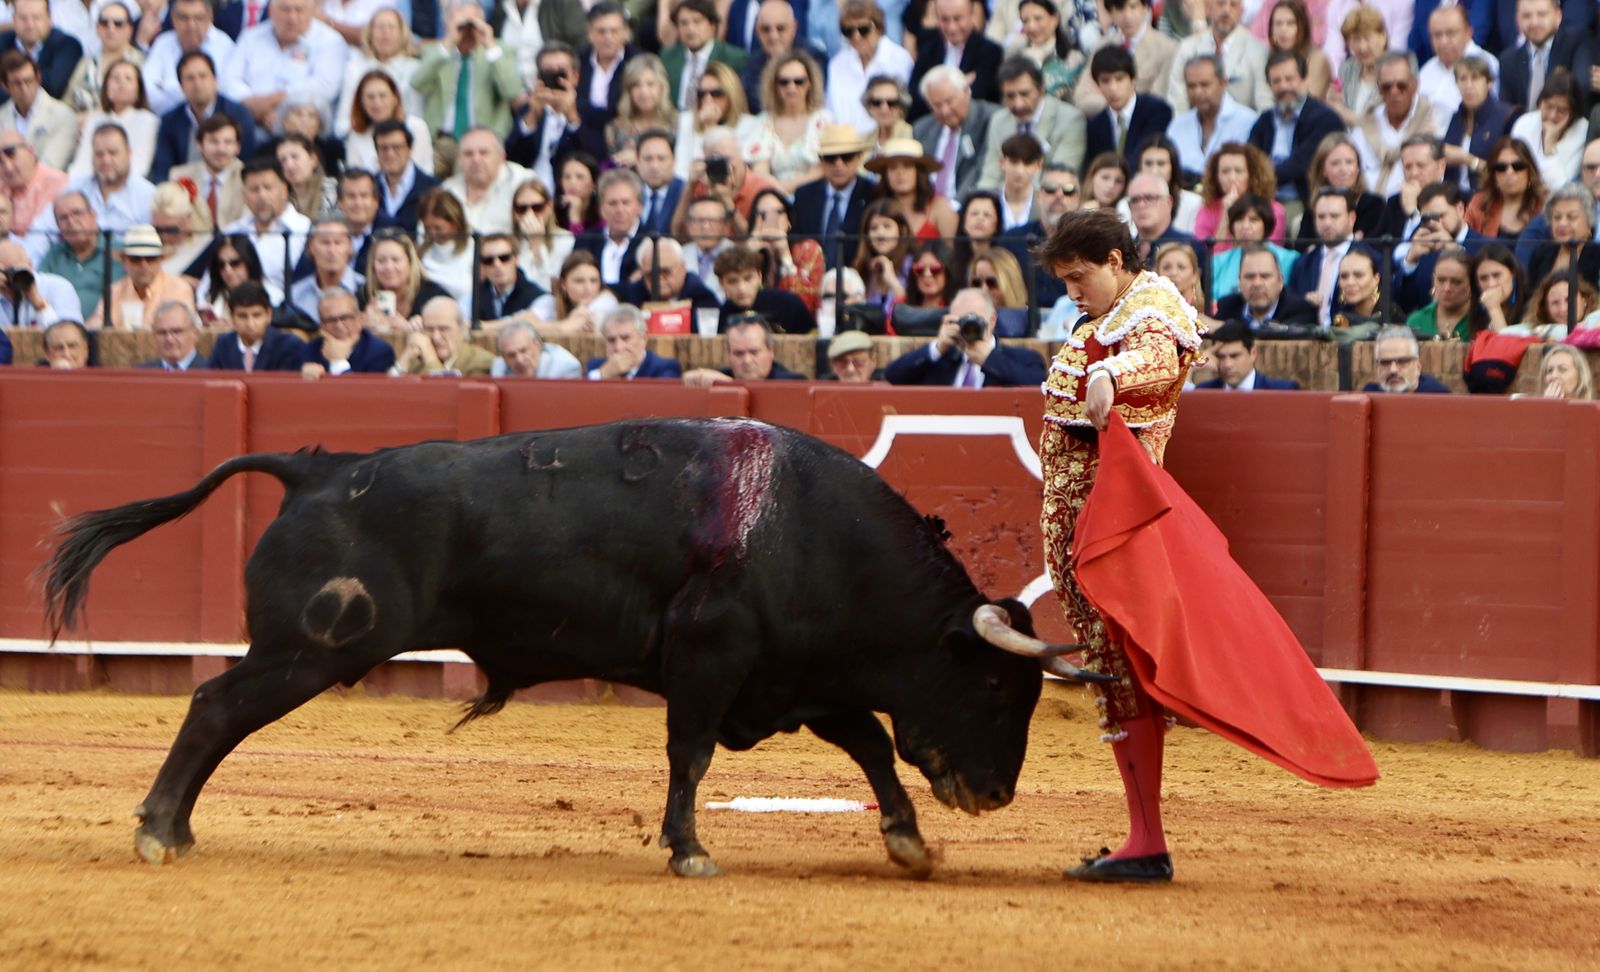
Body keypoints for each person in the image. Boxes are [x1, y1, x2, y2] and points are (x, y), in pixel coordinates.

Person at [1032, 209, 1203, 883]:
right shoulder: (1102, 316)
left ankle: (1147, 840)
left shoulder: (1152, 302)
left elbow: (1159, 357)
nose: (1074, 292)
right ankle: (1141, 835)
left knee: (1123, 673)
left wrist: (1113, 376)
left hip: (1113, 530)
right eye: (1065, 281)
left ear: (1113, 259)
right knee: (1112, 672)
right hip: (1086, 529)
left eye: (1080, 277)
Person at [411, 0, 523, 153]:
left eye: (473, 23)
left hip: (482, 142)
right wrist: (449, 42)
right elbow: (417, 83)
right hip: (440, 140)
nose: (468, 30)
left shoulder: (499, 50)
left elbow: (512, 91)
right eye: (461, 25)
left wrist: (489, 46)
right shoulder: (436, 52)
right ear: (445, 25)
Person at [219, 0, 347, 131]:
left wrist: (277, 101)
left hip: (303, 129)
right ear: (271, 11)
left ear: (311, 12)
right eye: (285, 10)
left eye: (299, 10)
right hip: (250, 121)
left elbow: (325, 85)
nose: (292, 17)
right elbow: (228, 80)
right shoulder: (251, 37)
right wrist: (252, 106)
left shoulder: (330, 41)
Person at [883, 285, 1045, 385]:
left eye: (974, 320)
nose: (968, 328)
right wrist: (937, 348)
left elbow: (1038, 385)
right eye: (959, 321)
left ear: (992, 320)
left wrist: (990, 359)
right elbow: (893, 376)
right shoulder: (941, 360)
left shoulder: (1023, 359)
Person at [1251, 50, 1348, 208]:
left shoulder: (1325, 119)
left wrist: (1262, 175)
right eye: (1276, 81)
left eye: (1289, 79)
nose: (1283, 86)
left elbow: (1301, 164)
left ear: (1305, 80)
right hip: (1263, 199)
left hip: (1304, 203)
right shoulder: (1265, 120)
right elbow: (1251, 159)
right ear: (1269, 86)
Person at [149, 51, 258, 184]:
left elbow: (249, 162)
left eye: (203, 76)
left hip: (231, 188)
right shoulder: (170, 121)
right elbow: (163, 170)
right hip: (184, 190)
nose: (197, 83)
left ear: (215, 80)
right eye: (190, 78)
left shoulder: (238, 114)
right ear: (181, 86)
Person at [979, 56, 1085, 190]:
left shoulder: (1070, 120)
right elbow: (991, 174)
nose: (1018, 104)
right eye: (1010, 96)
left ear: (1041, 90)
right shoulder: (999, 121)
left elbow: (1059, 178)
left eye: (1024, 94)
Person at [792, 124, 877, 269]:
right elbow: (796, 242)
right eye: (831, 158)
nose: (839, 164)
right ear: (821, 160)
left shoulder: (873, 194)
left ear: (859, 158)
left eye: (847, 157)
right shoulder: (804, 196)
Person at [911, 65, 999, 204]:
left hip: (966, 205)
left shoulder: (990, 119)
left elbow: (980, 170)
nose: (945, 111)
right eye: (937, 105)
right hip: (928, 209)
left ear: (966, 92)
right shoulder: (922, 129)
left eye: (949, 101)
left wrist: (956, 207)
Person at [1166, 0, 1272, 114]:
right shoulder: (1188, 47)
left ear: (1242, 11)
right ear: (1209, 8)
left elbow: (1264, 103)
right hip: (1194, 126)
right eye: (1221, 3)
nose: (1226, 10)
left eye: (1233, 5)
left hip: (1243, 128)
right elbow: (1177, 101)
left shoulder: (1258, 50)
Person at [827, 0, 914, 137]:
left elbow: (903, 108)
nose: (856, 37)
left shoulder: (900, 60)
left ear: (878, 28)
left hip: (887, 142)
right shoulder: (837, 65)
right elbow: (832, 112)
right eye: (848, 31)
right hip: (847, 148)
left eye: (863, 29)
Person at [332, 8, 423, 138]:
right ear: (370, 34)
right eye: (380, 27)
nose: (385, 33)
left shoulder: (415, 69)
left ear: (402, 34)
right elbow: (344, 119)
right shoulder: (355, 68)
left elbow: (416, 114)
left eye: (391, 27)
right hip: (360, 138)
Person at [672, 62, 769, 183]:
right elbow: (682, 170)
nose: (708, 100)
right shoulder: (687, 120)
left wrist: (710, 128)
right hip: (694, 191)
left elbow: (736, 168)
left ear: (731, 94)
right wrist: (705, 126)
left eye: (716, 94)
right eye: (702, 94)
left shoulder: (752, 125)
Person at [504, 41, 585, 186]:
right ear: (538, 77)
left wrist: (572, 116)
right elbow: (511, 158)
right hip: (530, 188)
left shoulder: (588, 111)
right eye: (548, 72)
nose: (555, 78)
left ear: (575, 76)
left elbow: (590, 156)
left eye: (561, 72)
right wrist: (533, 116)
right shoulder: (526, 110)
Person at [1167, 55, 1257, 185]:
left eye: (1205, 85)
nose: (1197, 92)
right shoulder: (1177, 126)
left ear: (1223, 83)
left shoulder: (1248, 122)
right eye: (1191, 86)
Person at [907, 0, 1004, 119]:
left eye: (957, 19)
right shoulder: (929, 47)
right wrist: (961, 85)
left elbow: (981, 96)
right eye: (945, 19)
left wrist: (934, 92)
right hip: (931, 126)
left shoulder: (990, 52)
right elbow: (915, 96)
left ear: (972, 14)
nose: (951, 27)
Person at [88, 224, 196, 329]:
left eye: (150, 259)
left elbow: (182, 330)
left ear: (160, 260)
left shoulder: (178, 289)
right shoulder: (114, 292)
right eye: (136, 259)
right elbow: (95, 327)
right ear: (125, 262)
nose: (143, 265)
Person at [1498, 0, 1595, 117]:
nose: (1534, 22)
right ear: (1517, 20)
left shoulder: (1577, 42)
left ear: (1558, 16)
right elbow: (1507, 112)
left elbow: (1580, 89)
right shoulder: (1508, 60)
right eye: (1527, 16)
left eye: (1542, 14)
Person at [1083, 46, 1170, 169]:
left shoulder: (1156, 111)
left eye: (1119, 79)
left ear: (1133, 80)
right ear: (1097, 85)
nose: (1113, 88)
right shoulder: (1095, 124)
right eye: (1105, 81)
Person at [39, 191, 123, 318]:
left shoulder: (118, 252)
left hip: (103, 330)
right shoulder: (53, 256)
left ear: (93, 215)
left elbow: (123, 297)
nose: (71, 221)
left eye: (77, 213)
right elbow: (39, 293)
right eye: (63, 218)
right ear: (58, 226)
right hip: (58, 332)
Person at [1293, 132, 1383, 246]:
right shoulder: (1314, 207)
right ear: (1323, 170)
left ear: (1358, 168)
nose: (1343, 169)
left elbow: (1375, 251)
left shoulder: (1374, 205)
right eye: (1335, 163)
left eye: (1349, 162)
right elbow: (1302, 251)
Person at [574, 3, 639, 160]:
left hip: (622, 137)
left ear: (625, 32)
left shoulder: (637, 61)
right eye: (601, 31)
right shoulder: (578, 60)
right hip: (580, 135)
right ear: (590, 34)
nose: (608, 37)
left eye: (614, 31)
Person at [1441, 57, 1514, 195]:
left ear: (1489, 82)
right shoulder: (1456, 117)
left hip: (1490, 196)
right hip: (1454, 197)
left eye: (1475, 78)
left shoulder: (1506, 116)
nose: (1468, 86)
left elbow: (1510, 171)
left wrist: (1468, 160)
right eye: (1463, 79)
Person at [742, 0, 830, 115]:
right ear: (757, 30)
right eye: (766, 29)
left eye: (781, 28)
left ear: (794, 27)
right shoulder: (752, 64)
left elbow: (814, 100)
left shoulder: (814, 58)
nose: (773, 36)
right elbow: (756, 105)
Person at [1287, 187, 1359, 327]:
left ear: (1351, 218)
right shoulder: (1303, 262)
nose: (1327, 223)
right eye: (1321, 217)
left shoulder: (1370, 259)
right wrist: (1303, 301)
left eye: (1334, 216)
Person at [661, 0, 747, 114]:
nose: (690, 29)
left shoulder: (735, 58)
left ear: (712, 25)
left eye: (697, 22)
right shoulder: (668, 57)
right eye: (684, 23)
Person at [345, 71, 435, 178]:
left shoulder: (416, 127)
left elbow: (419, 171)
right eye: (370, 97)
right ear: (361, 102)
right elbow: (355, 177)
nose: (377, 103)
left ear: (395, 98)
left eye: (383, 96)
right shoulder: (356, 135)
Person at [1193, 143, 1284, 249]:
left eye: (1238, 171)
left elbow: (1271, 251)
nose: (1232, 178)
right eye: (1225, 171)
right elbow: (1207, 256)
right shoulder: (1207, 210)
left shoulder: (1274, 210)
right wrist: (1225, 216)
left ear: (1252, 175)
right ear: (1216, 177)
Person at [1509, 69, 1587, 192]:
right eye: (1548, 106)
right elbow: (1514, 169)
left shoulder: (1582, 130)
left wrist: (1549, 145)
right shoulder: (1524, 123)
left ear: (1572, 113)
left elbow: (1562, 188)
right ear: (1540, 103)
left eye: (1561, 110)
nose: (1552, 116)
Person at [443, 128, 531, 235]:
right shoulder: (448, 190)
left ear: (502, 157)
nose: (476, 159)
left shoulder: (523, 183)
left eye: (483, 153)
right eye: (468, 154)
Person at [1417, 6, 1498, 122]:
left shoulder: (1486, 63)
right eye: (1437, 35)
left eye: (1451, 33)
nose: (1443, 42)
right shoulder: (1426, 70)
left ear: (1469, 32)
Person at [206, 280, 307, 371]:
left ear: (269, 315)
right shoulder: (223, 345)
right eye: (242, 316)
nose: (250, 323)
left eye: (256, 315)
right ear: (232, 318)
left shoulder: (288, 345)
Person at [0, 51, 77, 171]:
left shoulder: (63, 115)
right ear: (5, 86)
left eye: (28, 81)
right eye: (17, 83)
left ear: (38, 78)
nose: (24, 89)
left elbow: (52, 165)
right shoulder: (2, 116)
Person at [714, 243, 815, 334]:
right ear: (721, 283)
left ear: (759, 276)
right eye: (733, 281)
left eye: (748, 278)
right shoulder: (722, 314)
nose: (741, 288)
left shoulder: (789, 304)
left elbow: (814, 340)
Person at [681, 312, 805, 384]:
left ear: (771, 351)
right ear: (728, 355)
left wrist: (728, 386)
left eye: (754, 352)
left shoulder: (794, 382)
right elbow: (688, 378)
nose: (747, 360)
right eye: (738, 354)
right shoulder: (722, 377)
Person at [301, 286, 397, 378]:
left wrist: (338, 362)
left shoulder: (379, 353)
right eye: (331, 320)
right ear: (322, 326)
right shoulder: (310, 352)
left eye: (345, 318)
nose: (339, 326)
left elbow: (364, 394)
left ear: (359, 320)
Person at [1215, 243, 1318, 328]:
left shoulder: (1301, 309)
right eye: (1250, 277)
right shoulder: (1227, 308)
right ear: (1240, 281)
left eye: (1265, 276)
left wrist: (1226, 329)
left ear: (1280, 281)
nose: (1257, 284)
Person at [169, 114, 245, 229]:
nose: (221, 149)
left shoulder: (246, 177)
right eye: (214, 141)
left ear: (237, 147)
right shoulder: (179, 176)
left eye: (228, 142)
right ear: (199, 145)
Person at [1467, 137, 1549, 243]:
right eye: (1501, 167)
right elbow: (1465, 245)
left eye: (1517, 166)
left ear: (1530, 173)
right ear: (1494, 175)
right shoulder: (1479, 204)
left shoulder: (1546, 206)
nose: (1509, 172)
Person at [393, 295, 496, 376]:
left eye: (444, 329)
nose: (436, 337)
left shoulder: (481, 363)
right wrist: (405, 360)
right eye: (429, 329)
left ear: (462, 329)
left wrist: (431, 359)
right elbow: (386, 395)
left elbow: (446, 395)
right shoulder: (416, 362)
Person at [1524, 184, 1600, 290]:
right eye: (1557, 217)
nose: (1562, 223)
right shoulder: (1540, 254)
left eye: (1571, 217)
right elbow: (1529, 299)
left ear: (1589, 223)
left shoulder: (1597, 256)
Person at [372, 119, 441, 237]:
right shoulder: (369, 188)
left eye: (396, 147)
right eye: (383, 148)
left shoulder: (432, 188)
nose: (390, 154)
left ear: (410, 149)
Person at [289, 216, 364, 325]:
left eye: (338, 242)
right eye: (325, 243)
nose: (332, 251)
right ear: (311, 246)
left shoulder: (365, 290)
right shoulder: (296, 294)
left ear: (350, 246)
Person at [616, 235, 721, 311]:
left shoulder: (702, 297)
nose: (658, 279)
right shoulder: (633, 295)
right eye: (650, 275)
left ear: (683, 268)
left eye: (665, 272)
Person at [531, 250, 619, 336]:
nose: (588, 288)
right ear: (563, 284)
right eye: (579, 281)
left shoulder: (606, 301)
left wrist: (560, 326)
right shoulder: (552, 302)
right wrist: (564, 324)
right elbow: (522, 324)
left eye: (593, 281)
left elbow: (576, 324)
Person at [1194, 319, 1301, 390]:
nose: (1227, 364)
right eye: (1221, 357)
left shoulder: (1281, 391)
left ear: (1253, 353)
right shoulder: (1203, 391)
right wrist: (1192, 367)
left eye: (1235, 356)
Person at [586, 303, 683, 379]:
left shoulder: (664, 368)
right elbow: (580, 394)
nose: (619, 347)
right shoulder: (596, 367)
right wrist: (602, 374)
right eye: (611, 340)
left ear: (643, 338)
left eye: (625, 338)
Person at [0, 239, 79, 327]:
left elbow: (71, 335)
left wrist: (38, 303)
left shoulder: (58, 287)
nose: (11, 278)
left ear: (30, 264)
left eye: (16, 270)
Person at [1330, 5, 1387, 127]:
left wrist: (1346, 115)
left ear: (1383, 37)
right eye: (1356, 39)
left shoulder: (1394, 71)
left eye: (1367, 38)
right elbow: (1336, 109)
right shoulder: (1347, 68)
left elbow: (1384, 126)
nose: (1362, 47)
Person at [1404, 246, 1473, 339]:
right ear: (1433, 279)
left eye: (1456, 282)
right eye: (1441, 280)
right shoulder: (1416, 321)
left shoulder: (1483, 321)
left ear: (1472, 284)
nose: (1447, 288)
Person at [1361, 324, 1452, 393]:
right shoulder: (1369, 395)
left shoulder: (1437, 397)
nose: (1393, 370)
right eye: (1385, 362)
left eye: (1402, 361)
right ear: (1377, 368)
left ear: (1418, 367)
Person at [492, 320, 584, 379]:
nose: (519, 360)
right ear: (503, 356)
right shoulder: (499, 367)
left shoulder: (565, 366)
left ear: (538, 344)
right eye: (511, 355)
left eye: (524, 351)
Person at [860, 74, 914, 164]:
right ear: (869, 106)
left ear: (901, 106)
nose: (884, 108)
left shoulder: (913, 135)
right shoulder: (863, 141)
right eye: (877, 102)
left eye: (891, 103)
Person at [139, 300, 206, 370]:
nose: (169, 339)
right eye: (162, 332)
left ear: (195, 333)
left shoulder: (212, 372)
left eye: (176, 331)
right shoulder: (141, 373)